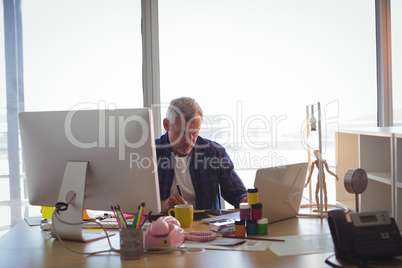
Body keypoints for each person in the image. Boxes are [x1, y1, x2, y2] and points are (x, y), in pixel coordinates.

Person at [155, 97, 248, 214]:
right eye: (183, 133)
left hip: (207, 228)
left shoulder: (214, 153)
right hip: (165, 227)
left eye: (194, 133)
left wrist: (247, 200)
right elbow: (135, 202)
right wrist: (163, 205)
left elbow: (236, 193)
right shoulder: (149, 154)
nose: (190, 141)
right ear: (166, 124)